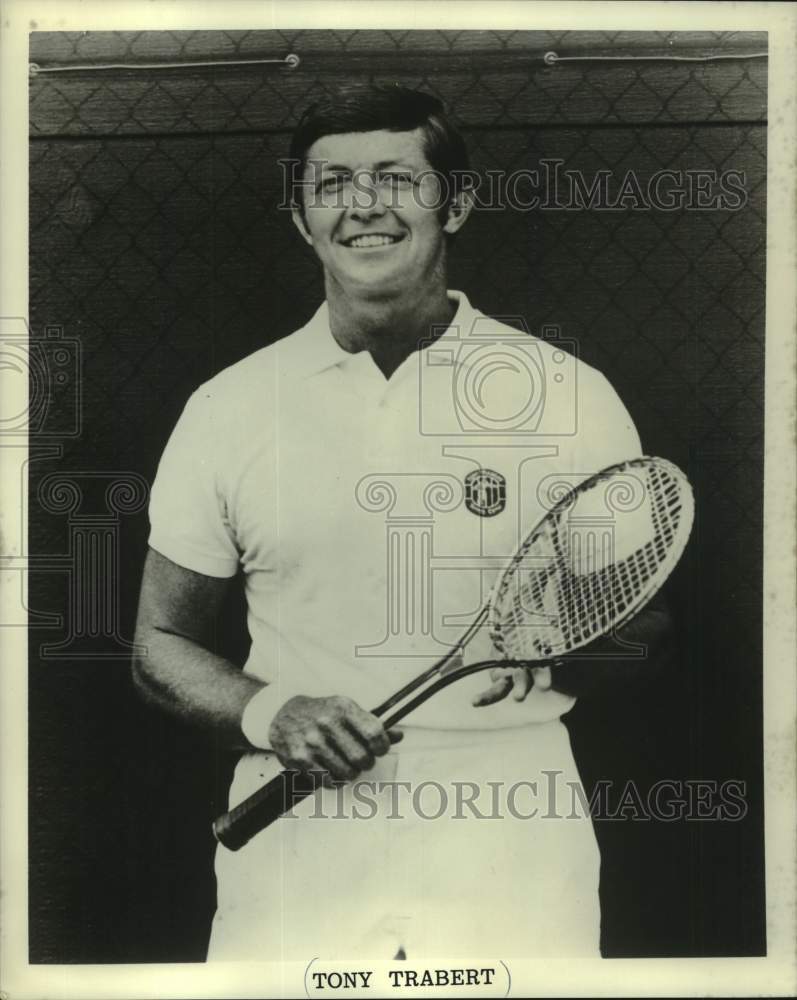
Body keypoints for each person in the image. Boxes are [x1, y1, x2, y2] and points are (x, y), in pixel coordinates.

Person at [134, 84, 671, 961]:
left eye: (394, 176)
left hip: (509, 815)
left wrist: (559, 649)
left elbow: (645, 620)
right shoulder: (228, 407)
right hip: (298, 823)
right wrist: (272, 713)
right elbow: (158, 642)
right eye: (332, 184)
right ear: (301, 219)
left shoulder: (567, 395)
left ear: (454, 203)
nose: (362, 205)